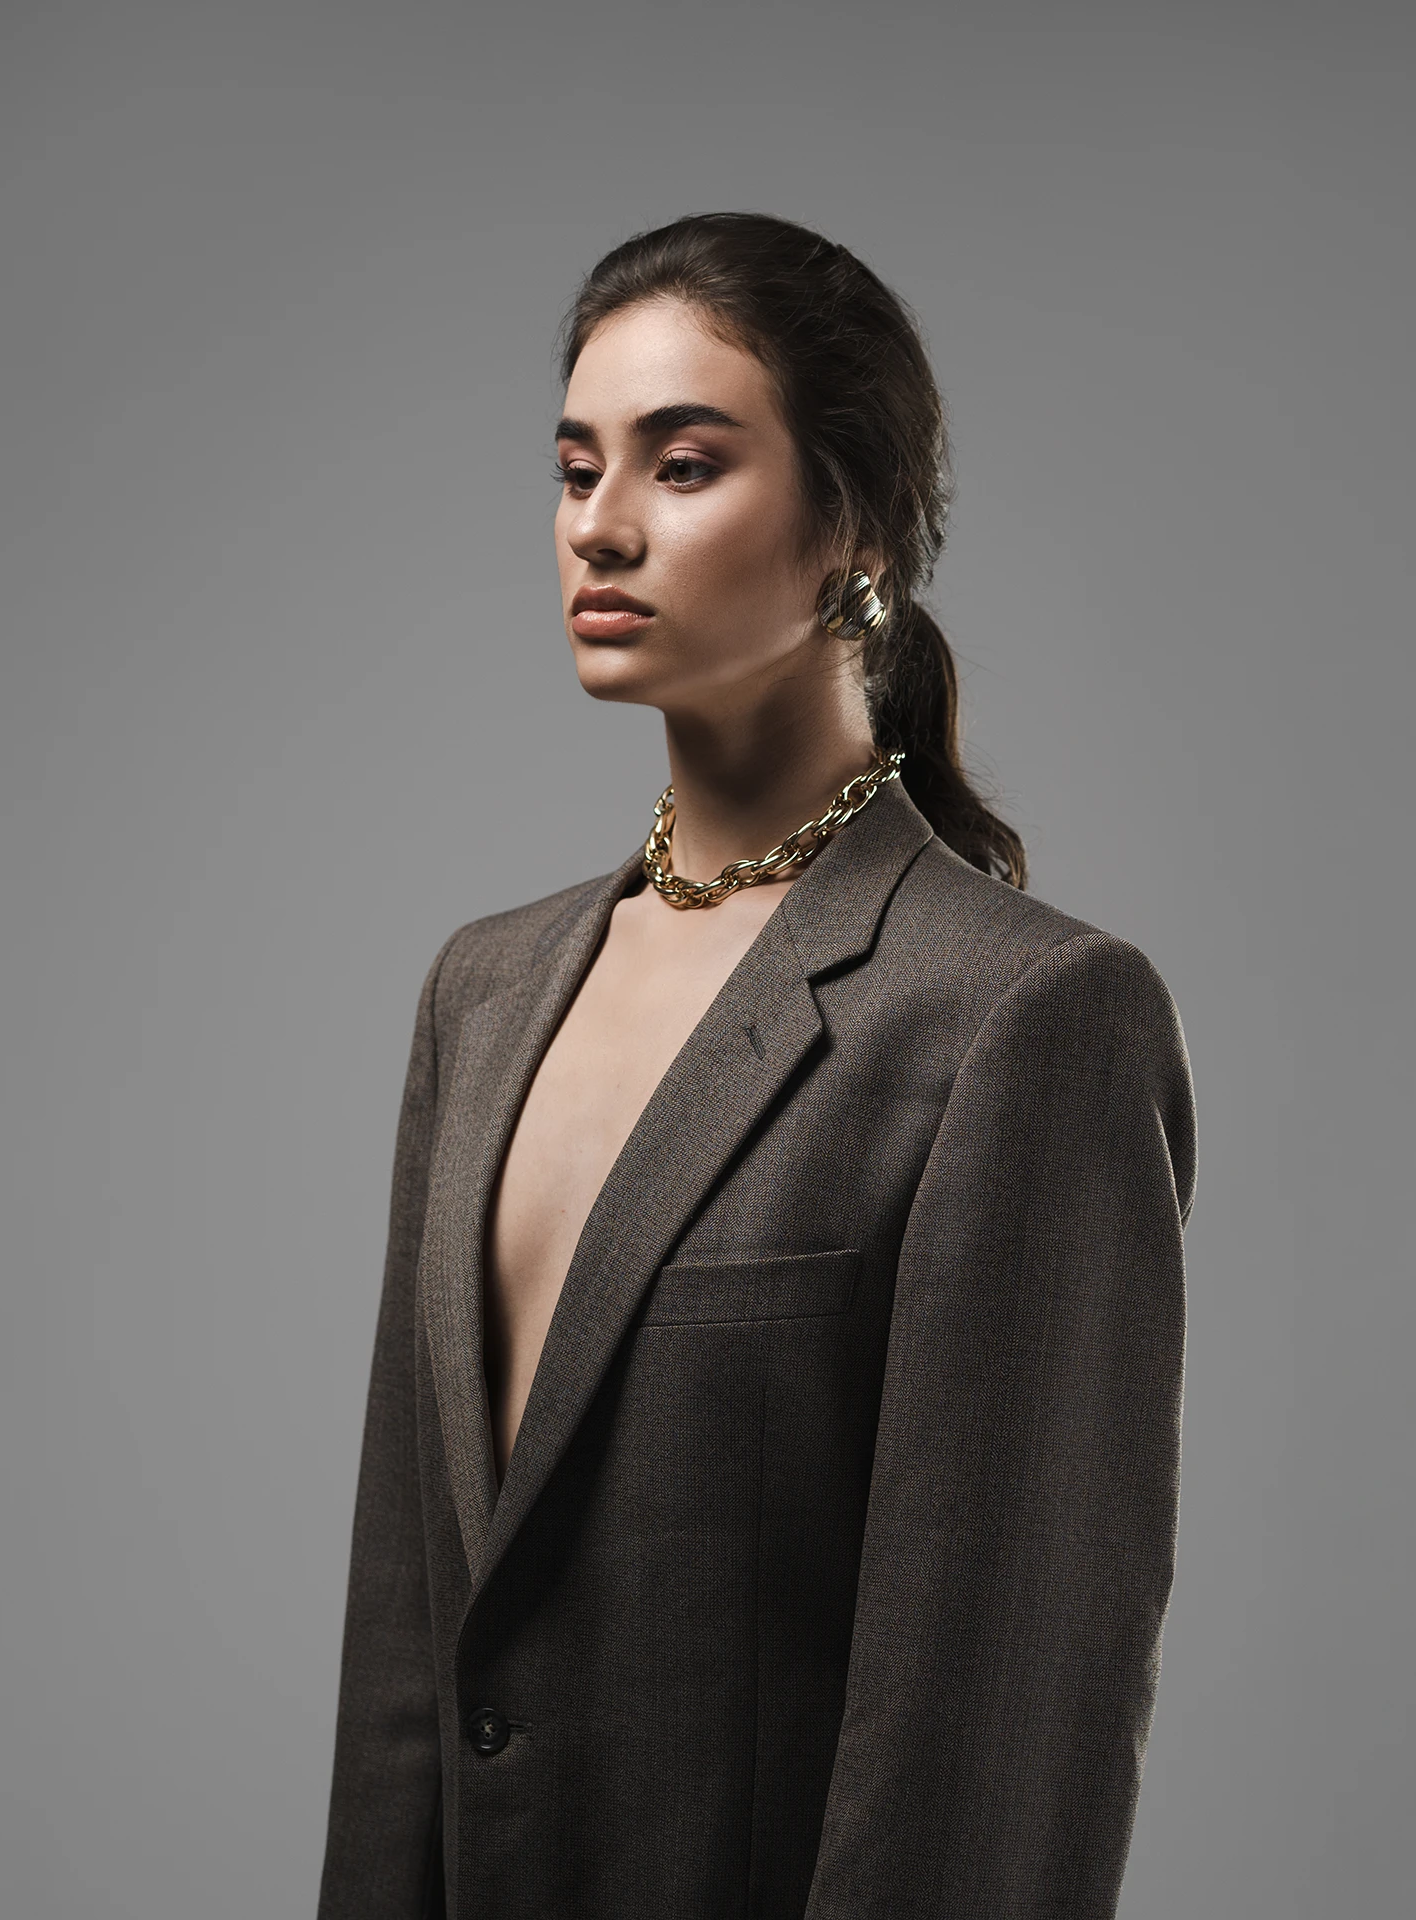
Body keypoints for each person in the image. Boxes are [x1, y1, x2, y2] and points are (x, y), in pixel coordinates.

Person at [317, 212, 1197, 1920]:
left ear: (850, 528)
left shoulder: (1020, 1021)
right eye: (575, 468)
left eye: (687, 463)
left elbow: (994, 1739)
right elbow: (411, 1663)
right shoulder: (482, 997)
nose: (603, 524)